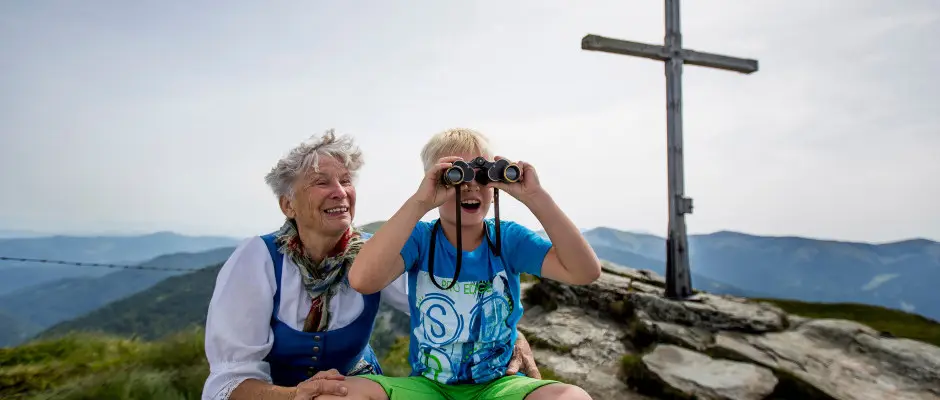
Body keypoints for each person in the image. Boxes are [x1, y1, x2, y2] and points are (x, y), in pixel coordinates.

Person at [201, 130, 542, 400]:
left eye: (346, 181)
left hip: (354, 388)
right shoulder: (257, 260)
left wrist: (512, 336)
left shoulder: (375, 254)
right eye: (322, 183)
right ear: (287, 205)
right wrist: (293, 397)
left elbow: (449, 301)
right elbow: (229, 380)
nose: (339, 192)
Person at [341, 128, 602, 400]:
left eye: (482, 174)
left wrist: (535, 196)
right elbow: (362, 279)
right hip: (428, 386)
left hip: (500, 384)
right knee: (341, 393)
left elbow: (584, 271)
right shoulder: (420, 239)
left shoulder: (508, 239)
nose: (470, 185)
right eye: (456, 174)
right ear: (435, 181)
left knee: (573, 397)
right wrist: (420, 202)